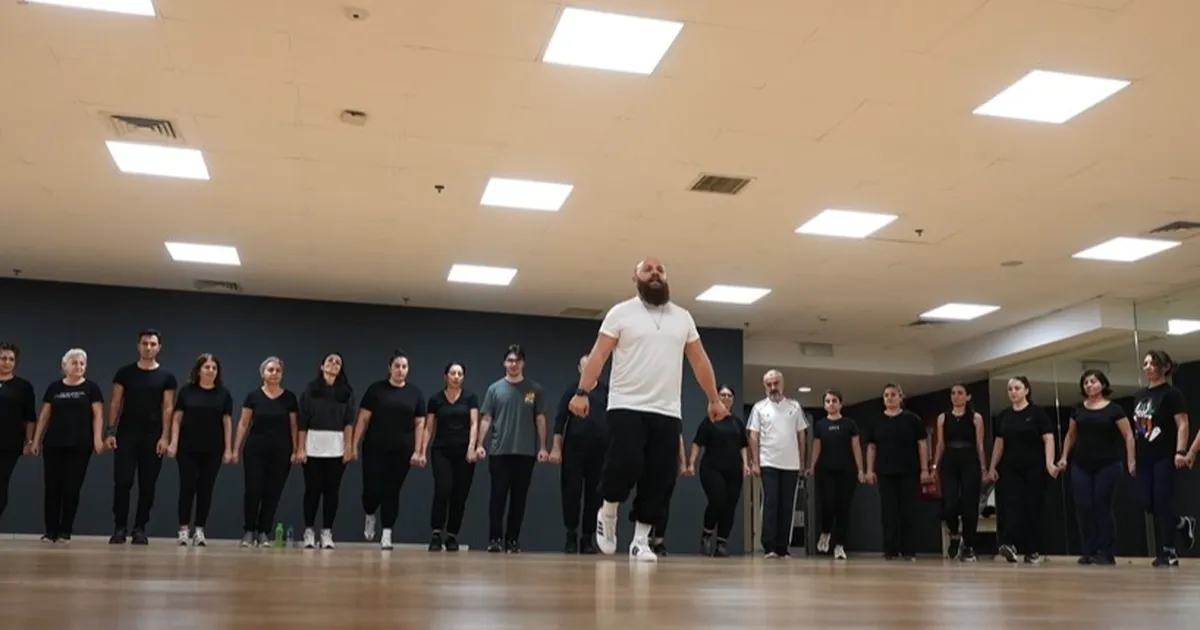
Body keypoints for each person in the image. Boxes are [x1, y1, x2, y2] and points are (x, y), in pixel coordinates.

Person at [570, 257, 727, 562]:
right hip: (626, 404)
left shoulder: (682, 318)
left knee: (660, 477)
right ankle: (608, 511)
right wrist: (582, 391)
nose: (655, 273)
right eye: (648, 270)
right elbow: (599, 355)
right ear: (635, 278)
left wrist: (713, 398)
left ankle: (640, 541)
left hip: (667, 410)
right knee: (625, 463)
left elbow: (699, 360)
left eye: (660, 270)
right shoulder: (621, 313)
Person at [106, 329, 178, 545]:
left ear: (159, 347)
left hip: (152, 436)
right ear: (138, 346)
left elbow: (168, 408)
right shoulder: (124, 373)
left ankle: (140, 528)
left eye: (152, 344)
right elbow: (115, 402)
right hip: (126, 434)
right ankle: (120, 527)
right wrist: (110, 431)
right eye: (145, 343)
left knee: (147, 485)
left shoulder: (167, 377)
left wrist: (165, 437)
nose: (148, 347)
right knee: (123, 482)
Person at [1056, 369, 1134, 566]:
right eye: (1086, 383)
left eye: (1093, 381)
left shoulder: (1114, 409)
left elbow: (1128, 436)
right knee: (1083, 506)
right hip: (1081, 464)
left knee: (1102, 506)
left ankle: (1106, 552)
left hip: (1108, 464)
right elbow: (1071, 435)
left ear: (1103, 384)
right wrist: (1064, 457)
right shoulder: (1077, 409)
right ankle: (1089, 550)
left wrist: (1131, 460)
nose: (1089, 385)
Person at [479, 344, 548, 553]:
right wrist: (479, 444)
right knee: (498, 497)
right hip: (500, 451)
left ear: (523, 363)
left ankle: (512, 540)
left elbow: (540, 418)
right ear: (504, 363)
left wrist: (543, 447)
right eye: (510, 360)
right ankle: (494, 539)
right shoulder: (494, 389)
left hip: (525, 453)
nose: (513, 364)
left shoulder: (534, 389)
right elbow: (487, 418)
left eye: (517, 361)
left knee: (519, 499)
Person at [30, 348, 104, 543]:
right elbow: (44, 415)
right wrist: (36, 439)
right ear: (65, 366)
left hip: (80, 445)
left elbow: (97, 415)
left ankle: (65, 531)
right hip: (54, 444)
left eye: (82, 363)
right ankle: (50, 532)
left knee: (72, 488)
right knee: (52, 487)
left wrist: (98, 438)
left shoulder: (91, 388)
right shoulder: (54, 388)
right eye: (74, 363)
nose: (78, 366)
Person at [355, 350, 426, 551]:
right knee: (372, 488)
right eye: (397, 366)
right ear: (390, 368)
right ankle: (370, 514)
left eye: (404, 367)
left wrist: (418, 451)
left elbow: (420, 423)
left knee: (392, 490)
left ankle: (387, 533)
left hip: (401, 450)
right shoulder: (376, 390)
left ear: (408, 369)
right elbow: (363, 419)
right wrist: (353, 445)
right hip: (375, 447)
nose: (400, 370)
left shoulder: (415, 393)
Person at [1132, 350, 1195, 566]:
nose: (1148, 367)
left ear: (1164, 367)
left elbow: (1182, 423)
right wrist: (1133, 458)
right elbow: (1138, 428)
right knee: (1146, 502)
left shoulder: (1171, 394)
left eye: (1153, 363)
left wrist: (1181, 451)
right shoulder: (1139, 395)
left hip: (1165, 455)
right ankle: (1181, 523)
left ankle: (1168, 551)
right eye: (1145, 363)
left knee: (1161, 501)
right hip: (1144, 456)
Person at [986, 376, 1055, 564]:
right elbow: (999, 443)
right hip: (1010, 468)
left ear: (1026, 390)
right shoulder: (1005, 415)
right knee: (1011, 506)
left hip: (1034, 467)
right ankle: (1008, 544)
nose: (1013, 392)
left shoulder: (1037, 413)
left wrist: (1049, 463)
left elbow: (1048, 438)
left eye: (1017, 388)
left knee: (1032, 507)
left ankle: (1032, 550)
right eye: (1010, 389)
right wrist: (992, 467)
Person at [232, 356, 299, 548]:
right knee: (253, 490)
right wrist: (236, 449)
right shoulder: (253, 396)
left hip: (281, 451)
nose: (274, 373)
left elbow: (294, 426)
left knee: (273, 492)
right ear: (263, 373)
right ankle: (249, 530)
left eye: (278, 370)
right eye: (270, 370)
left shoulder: (289, 398)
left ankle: (263, 532)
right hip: (255, 450)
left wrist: (296, 450)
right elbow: (243, 423)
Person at [169, 353, 233, 547]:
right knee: (187, 487)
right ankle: (183, 530)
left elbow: (227, 422)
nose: (211, 370)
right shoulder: (186, 391)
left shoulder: (223, 394)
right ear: (198, 370)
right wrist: (173, 442)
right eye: (207, 367)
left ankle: (199, 530)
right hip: (187, 448)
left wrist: (228, 448)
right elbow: (177, 418)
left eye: (214, 368)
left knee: (206, 489)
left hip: (213, 448)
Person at [549, 353, 609, 554]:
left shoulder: (607, 392)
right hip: (574, 451)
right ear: (579, 369)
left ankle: (587, 538)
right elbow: (559, 422)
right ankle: (571, 535)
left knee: (595, 495)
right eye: (585, 366)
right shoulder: (571, 391)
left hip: (600, 452)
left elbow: (615, 421)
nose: (588, 369)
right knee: (571, 492)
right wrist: (556, 448)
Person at [865, 383, 931, 561]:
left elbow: (922, 444)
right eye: (886, 395)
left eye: (893, 394)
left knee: (908, 511)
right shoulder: (876, 421)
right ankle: (890, 550)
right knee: (888, 512)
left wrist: (924, 469)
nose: (890, 398)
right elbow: (871, 447)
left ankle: (909, 550)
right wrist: (869, 470)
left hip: (909, 471)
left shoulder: (912, 419)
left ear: (901, 397)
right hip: (885, 472)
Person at [296, 353, 356, 550]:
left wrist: (348, 447)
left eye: (338, 362)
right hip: (313, 445)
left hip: (336, 447)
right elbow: (302, 420)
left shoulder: (346, 392)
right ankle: (309, 531)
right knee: (312, 490)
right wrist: (300, 447)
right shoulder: (310, 389)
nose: (334, 364)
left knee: (332, 491)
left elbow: (349, 421)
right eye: (330, 360)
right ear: (322, 366)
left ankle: (327, 532)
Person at [748, 370, 808, 558]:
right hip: (768, 462)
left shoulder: (795, 407)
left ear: (782, 384)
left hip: (791, 464)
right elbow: (753, 436)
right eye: (769, 384)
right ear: (764, 386)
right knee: (771, 502)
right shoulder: (759, 408)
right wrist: (755, 462)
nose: (773, 387)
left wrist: (801, 462)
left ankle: (783, 547)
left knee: (787, 505)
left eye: (776, 383)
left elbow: (801, 435)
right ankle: (769, 546)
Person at [688, 385, 748, 557]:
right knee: (717, 499)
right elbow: (697, 443)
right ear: (717, 397)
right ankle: (706, 535)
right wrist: (691, 463)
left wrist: (746, 464)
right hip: (712, 467)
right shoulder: (709, 421)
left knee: (730, 505)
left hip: (733, 470)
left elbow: (743, 445)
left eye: (729, 395)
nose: (726, 398)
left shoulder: (737, 423)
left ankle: (721, 543)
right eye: (723, 395)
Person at [425, 362, 479, 552]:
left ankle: (452, 535)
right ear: (446, 376)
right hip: (442, 451)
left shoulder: (470, 398)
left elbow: (474, 424)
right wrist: (421, 450)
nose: (456, 376)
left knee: (459, 494)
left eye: (460, 373)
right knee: (443, 489)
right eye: (453, 373)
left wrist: (471, 448)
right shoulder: (436, 399)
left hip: (464, 452)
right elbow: (429, 427)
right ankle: (436, 533)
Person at [931, 383, 987, 562]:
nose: (956, 396)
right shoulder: (943, 418)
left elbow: (979, 445)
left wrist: (983, 468)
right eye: (953, 393)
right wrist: (934, 466)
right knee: (950, 503)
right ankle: (954, 535)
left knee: (970, 504)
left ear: (968, 396)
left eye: (960, 393)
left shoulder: (976, 418)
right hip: (950, 459)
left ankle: (969, 545)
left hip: (969, 459)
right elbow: (940, 444)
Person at [807, 388, 863, 561]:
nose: (831, 404)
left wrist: (860, 470)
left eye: (834, 401)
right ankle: (825, 533)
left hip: (847, 471)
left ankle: (840, 546)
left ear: (840, 404)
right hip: (826, 470)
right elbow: (817, 446)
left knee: (843, 508)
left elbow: (856, 447)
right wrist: (812, 466)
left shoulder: (850, 424)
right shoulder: (820, 425)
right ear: (824, 405)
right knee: (828, 504)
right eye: (828, 401)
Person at [0, 342, 36, 526]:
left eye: (11, 359)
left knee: (1, 483)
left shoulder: (23, 387)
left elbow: (29, 417)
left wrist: (29, 441)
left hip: (9, 444)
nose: (7, 362)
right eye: (3, 358)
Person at [646, 421, 688, 556]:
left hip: (669, 462)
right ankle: (645, 538)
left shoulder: (674, 420)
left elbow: (679, 439)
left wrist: (683, 462)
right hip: (650, 462)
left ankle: (659, 540)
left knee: (664, 502)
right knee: (648, 499)